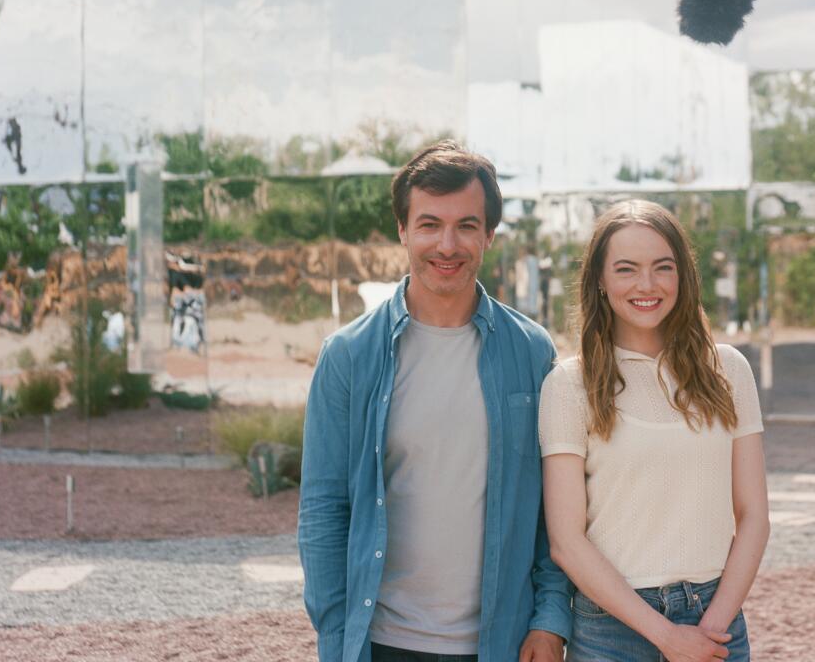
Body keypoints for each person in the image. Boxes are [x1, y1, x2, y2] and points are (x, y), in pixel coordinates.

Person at [298, 140, 570, 662]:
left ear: (489, 234)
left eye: (466, 225)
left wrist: (550, 620)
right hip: (382, 644)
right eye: (429, 224)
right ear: (403, 230)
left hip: (502, 643)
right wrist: (336, 639)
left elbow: (552, 510)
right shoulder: (348, 356)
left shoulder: (532, 353)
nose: (447, 245)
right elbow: (322, 513)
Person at [540, 199, 768, 661]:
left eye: (663, 267)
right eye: (626, 269)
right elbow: (566, 542)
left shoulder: (730, 370)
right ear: (600, 281)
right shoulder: (568, 385)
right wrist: (666, 637)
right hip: (612, 630)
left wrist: (712, 626)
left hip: (716, 620)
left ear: (682, 276)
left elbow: (754, 518)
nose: (647, 285)